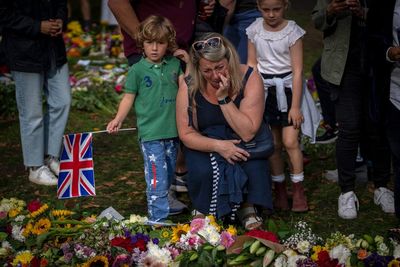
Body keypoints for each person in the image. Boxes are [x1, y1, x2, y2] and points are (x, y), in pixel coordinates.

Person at [107, 0, 200, 214]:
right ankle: (157, 217)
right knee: (156, 174)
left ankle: (166, 202)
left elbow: (187, 89)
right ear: (142, 43)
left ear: (168, 43)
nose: (155, 48)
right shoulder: (138, 70)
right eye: (149, 43)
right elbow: (129, 97)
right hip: (151, 132)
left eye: (160, 43)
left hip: (172, 130)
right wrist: (118, 119)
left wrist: (187, 62)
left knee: (167, 174)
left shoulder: (174, 65)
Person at [176, 32, 272, 230]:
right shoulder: (189, 84)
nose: (215, 76)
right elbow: (186, 133)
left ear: (230, 59)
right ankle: (205, 209)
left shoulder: (250, 76)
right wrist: (219, 146)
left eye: (220, 67)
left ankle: (247, 206)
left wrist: (223, 100)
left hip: (241, 138)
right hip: (207, 141)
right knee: (204, 169)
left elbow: (247, 132)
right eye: (207, 70)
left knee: (249, 163)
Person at [312, 0, 394, 219]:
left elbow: (389, 21)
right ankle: (346, 191)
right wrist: (331, 11)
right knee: (349, 127)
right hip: (344, 66)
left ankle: (382, 185)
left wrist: (366, 14)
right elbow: (317, 20)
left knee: (377, 126)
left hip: (378, 64)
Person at [247, 0, 318, 212]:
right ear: (258, 7)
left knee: (290, 141)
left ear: (285, 6)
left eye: (276, 9)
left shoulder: (292, 31)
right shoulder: (254, 30)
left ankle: (298, 190)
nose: (271, 14)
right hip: (265, 90)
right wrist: (253, 95)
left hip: (288, 91)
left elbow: (297, 71)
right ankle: (279, 189)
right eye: (266, 9)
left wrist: (295, 106)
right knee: (274, 144)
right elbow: (252, 64)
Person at [0, 0, 71, 186]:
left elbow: (61, 3)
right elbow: (3, 14)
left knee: (63, 101)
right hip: (23, 50)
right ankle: (34, 167)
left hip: (53, 48)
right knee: (31, 112)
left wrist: (60, 20)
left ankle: (50, 156)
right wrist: (38, 26)